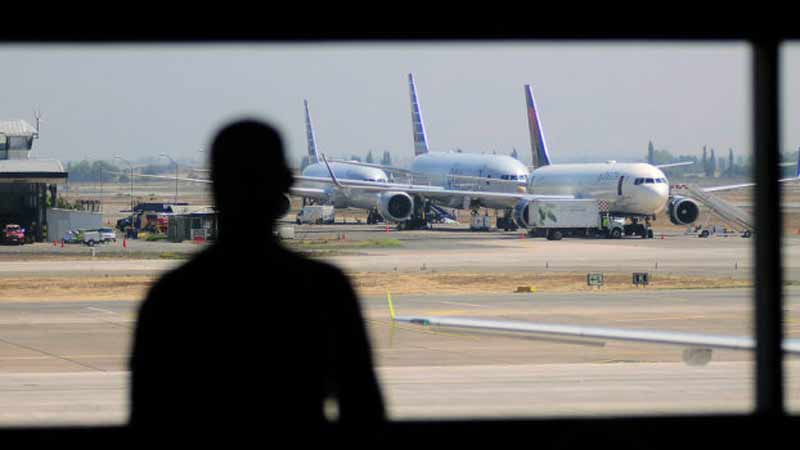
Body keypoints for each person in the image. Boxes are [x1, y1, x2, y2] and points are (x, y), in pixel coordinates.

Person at [129, 119, 385, 444]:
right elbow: (364, 409)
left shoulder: (172, 295)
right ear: (287, 183)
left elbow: (147, 417)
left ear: (214, 187)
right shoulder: (326, 289)